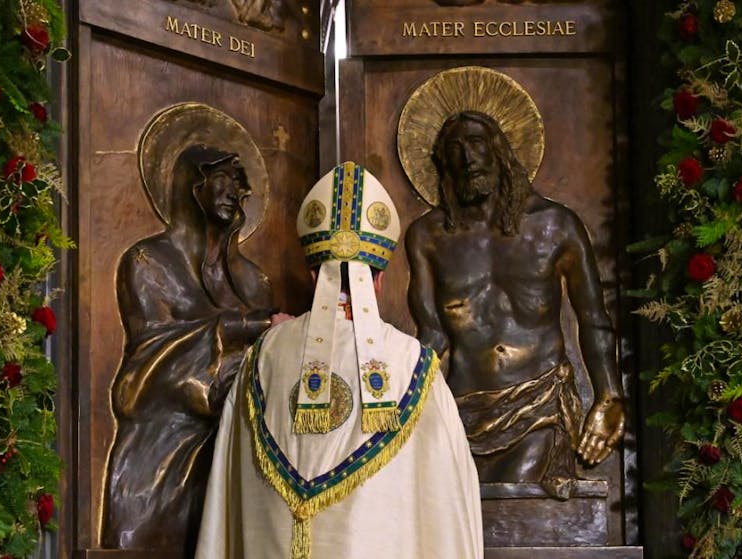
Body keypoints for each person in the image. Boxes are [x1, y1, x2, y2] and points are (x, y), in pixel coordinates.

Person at [196, 162, 483, 559]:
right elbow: (448, 501)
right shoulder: (413, 364)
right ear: (379, 281)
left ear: (314, 276)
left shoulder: (263, 356)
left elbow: (228, 490)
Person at [406, 110, 625, 499]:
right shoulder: (429, 235)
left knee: (517, 502)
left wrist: (609, 396)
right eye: (455, 149)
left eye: (476, 144)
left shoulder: (556, 225)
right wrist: (400, 408)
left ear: (500, 153)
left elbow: (593, 320)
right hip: (461, 408)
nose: (467, 159)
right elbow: (432, 335)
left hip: (539, 403)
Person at [102, 145, 280, 553]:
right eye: (221, 177)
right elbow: (152, 355)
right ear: (189, 184)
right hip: (162, 449)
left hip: (235, 450)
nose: (234, 190)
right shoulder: (148, 261)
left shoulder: (254, 281)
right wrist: (250, 325)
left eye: (239, 180)